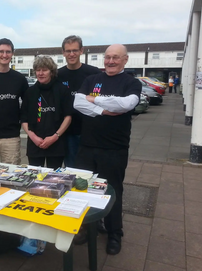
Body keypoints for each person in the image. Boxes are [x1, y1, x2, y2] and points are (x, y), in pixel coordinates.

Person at [73, 44, 142, 255]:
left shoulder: (131, 82)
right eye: (107, 57)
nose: (110, 61)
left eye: (115, 58)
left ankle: (114, 233)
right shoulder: (92, 79)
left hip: (114, 148)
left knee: (112, 192)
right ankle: (85, 228)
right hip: (87, 145)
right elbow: (77, 102)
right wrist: (104, 110)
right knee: (81, 188)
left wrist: (94, 100)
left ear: (125, 60)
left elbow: (127, 104)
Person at [21, 56, 72, 169]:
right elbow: (24, 119)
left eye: (44, 70)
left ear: (51, 71)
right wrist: (32, 136)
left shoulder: (62, 90)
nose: (40, 73)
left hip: (56, 143)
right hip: (35, 143)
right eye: (38, 70)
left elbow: (68, 117)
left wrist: (55, 136)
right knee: (34, 177)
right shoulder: (30, 92)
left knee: (53, 180)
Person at [57, 35, 100, 167]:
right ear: (63, 52)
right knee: (71, 169)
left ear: (82, 50)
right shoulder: (58, 75)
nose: (71, 54)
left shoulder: (94, 74)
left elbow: (100, 100)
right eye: (68, 51)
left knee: (92, 170)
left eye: (75, 50)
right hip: (68, 132)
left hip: (91, 130)